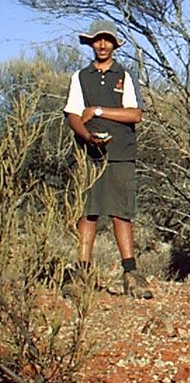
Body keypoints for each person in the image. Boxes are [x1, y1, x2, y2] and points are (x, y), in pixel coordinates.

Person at [64, 19, 152, 299]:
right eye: (97, 40)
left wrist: (100, 110)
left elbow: (134, 114)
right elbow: (73, 115)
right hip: (88, 153)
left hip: (121, 152)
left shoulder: (125, 75)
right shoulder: (80, 76)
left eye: (107, 40)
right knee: (87, 212)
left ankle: (131, 272)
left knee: (121, 211)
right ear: (91, 43)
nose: (102, 45)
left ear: (114, 44)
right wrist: (86, 136)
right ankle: (82, 271)